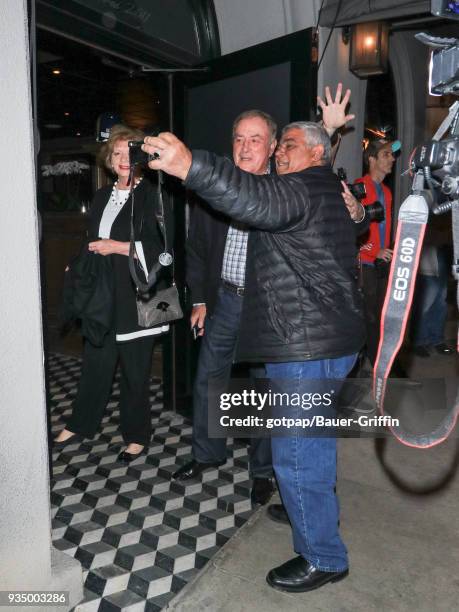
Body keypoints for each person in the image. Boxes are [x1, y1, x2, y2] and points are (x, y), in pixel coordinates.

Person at [142, 119, 365, 593]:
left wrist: (189, 165)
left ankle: (323, 556)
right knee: (312, 446)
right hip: (323, 338)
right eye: (278, 146)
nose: (279, 154)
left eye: (286, 146)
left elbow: (253, 199)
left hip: (308, 345)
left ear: (316, 155)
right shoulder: (323, 185)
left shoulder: (299, 188)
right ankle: (306, 509)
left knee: (299, 452)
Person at [174, 109, 278, 505]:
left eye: (255, 139)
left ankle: (263, 471)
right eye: (239, 138)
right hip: (226, 302)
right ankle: (207, 453)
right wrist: (199, 299)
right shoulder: (213, 188)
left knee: (263, 391)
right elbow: (196, 250)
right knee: (209, 379)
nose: (246, 146)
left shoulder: (282, 191)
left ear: (271, 146)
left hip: (267, 310)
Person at [54, 124, 171, 462]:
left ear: (141, 156)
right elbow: (90, 237)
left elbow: (163, 247)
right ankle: (80, 423)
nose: (123, 158)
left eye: (129, 152)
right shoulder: (103, 196)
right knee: (95, 362)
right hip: (103, 293)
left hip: (140, 295)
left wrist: (119, 247)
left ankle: (137, 436)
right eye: (116, 153)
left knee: (135, 371)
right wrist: (77, 264)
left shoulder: (152, 194)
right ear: (109, 159)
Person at [355, 138, 400, 366]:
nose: (392, 159)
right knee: (368, 319)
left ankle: (380, 363)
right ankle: (372, 367)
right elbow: (353, 231)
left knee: (382, 317)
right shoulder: (359, 187)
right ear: (371, 159)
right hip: (366, 264)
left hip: (383, 263)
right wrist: (375, 252)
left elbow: (385, 229)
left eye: (391, 154)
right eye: (386, 154)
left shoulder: (387, 191)